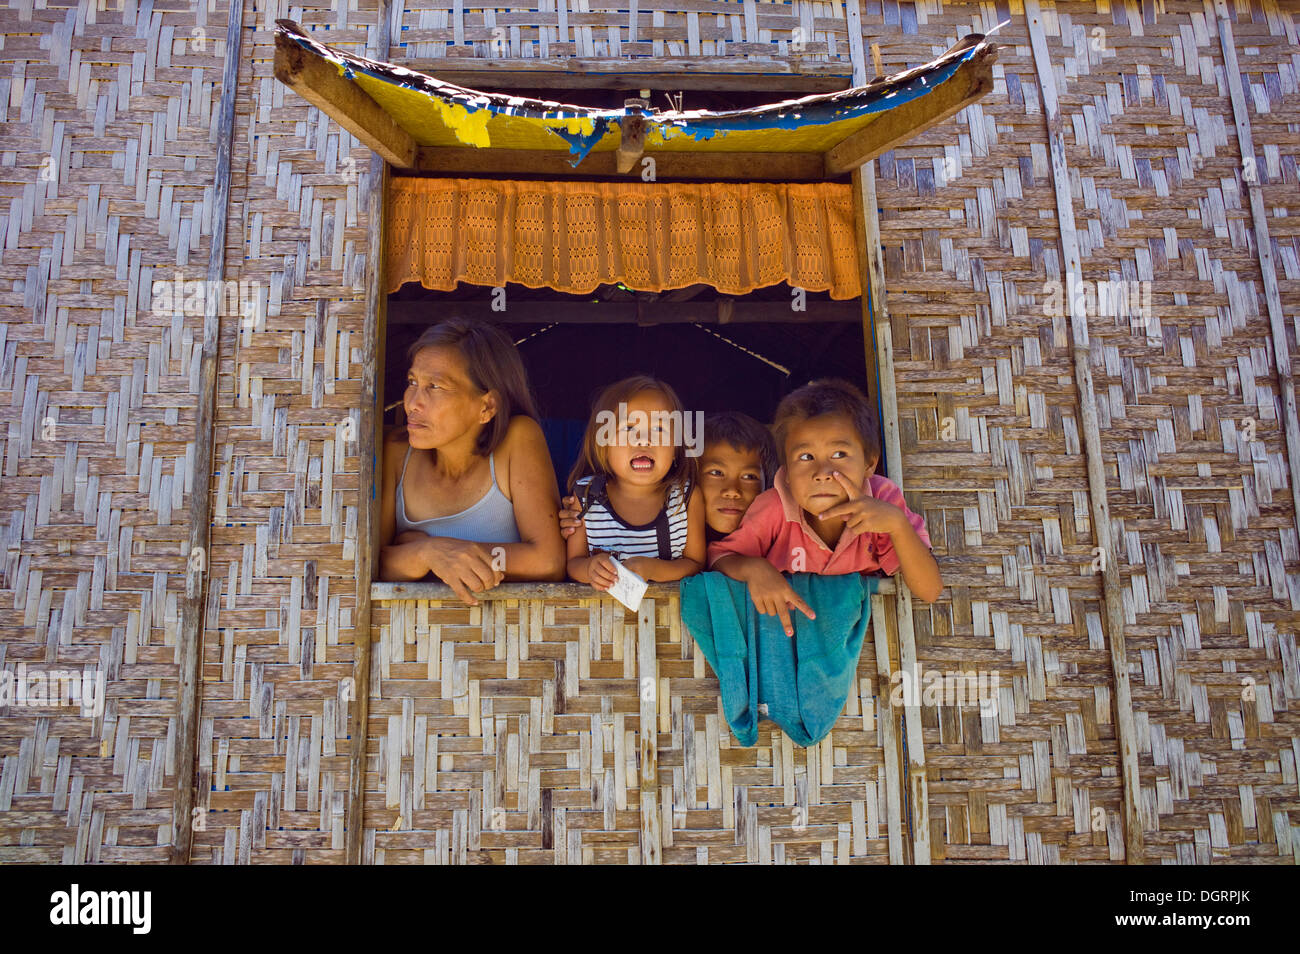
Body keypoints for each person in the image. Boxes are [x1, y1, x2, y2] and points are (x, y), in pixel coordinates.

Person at [709, 378, 942, 636]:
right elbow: (719, 559)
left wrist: (898, 526)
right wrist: (755, 569)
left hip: (868, 639)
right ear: (787, 472)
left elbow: (930, 590)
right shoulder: (774, 506)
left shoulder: (882, 500)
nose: (822, 473)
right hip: (787, 636)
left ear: (869, 464)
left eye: (839, 455)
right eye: (806, 457)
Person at [379, 319, 565, 604]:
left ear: (486, 406)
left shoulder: (517, 438)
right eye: (412, 382)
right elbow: (372, 563)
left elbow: (548, 562)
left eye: (435, 386)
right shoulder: (395, 451)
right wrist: (429, 553)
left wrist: (436, 554)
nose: (413, 402)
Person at [565, 376, 706, 591]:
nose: (643, 439)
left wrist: (653, 569)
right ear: (603, 445)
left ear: (676, 448)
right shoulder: (586, 495)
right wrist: (590, 569)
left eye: (659, 430)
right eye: (629, 428)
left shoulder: (685, 498)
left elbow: (695, 564)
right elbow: (573, 563)